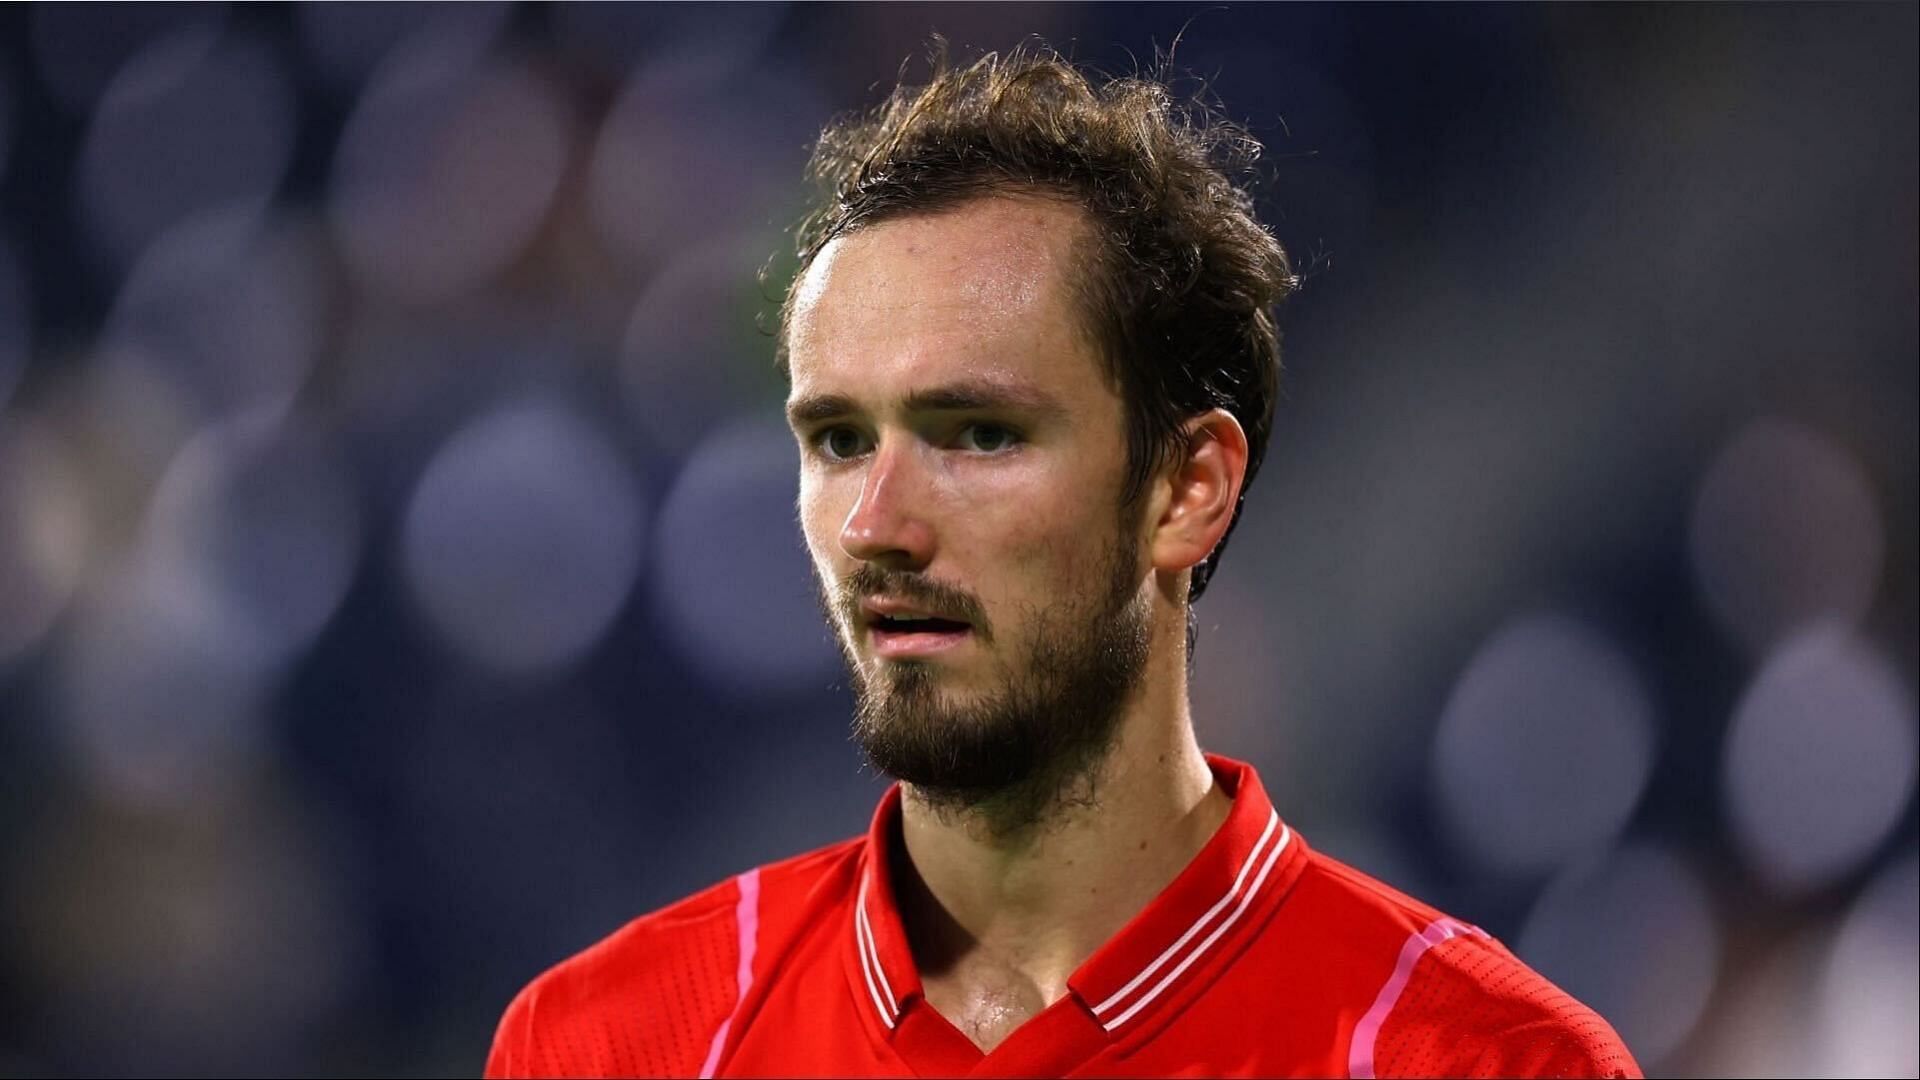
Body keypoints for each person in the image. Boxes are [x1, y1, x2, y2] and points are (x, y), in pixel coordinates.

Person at [486, 45, 1642, 1079]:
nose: (874, 523)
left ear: (1189, 490)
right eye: (839, 440)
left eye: (980, 433)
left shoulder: (1480, 1061)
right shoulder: (613, 1045)